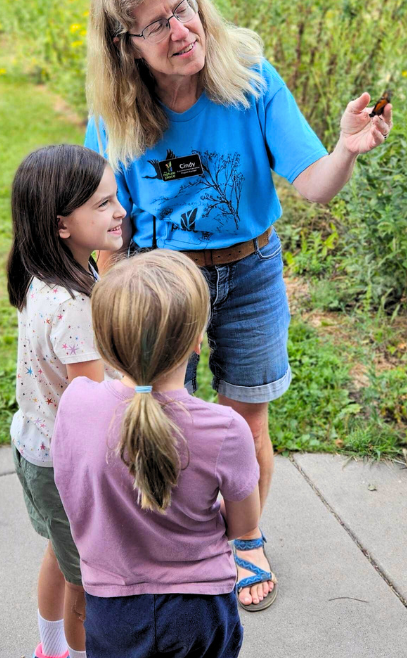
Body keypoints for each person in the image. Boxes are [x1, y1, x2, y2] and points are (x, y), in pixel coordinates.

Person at [84, 0, 393, 610]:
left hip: (250, 270)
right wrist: (114, 316)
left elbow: (312, 185)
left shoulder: (249, 76)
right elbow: (106, 227)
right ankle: (167, 543)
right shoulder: (116, 117)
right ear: (125, 45)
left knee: (247, 418)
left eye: (183, 6)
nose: (182, 29)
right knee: (160, 417)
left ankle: (242, 539)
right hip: (164, 280)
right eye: (157, 24)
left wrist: (345, 149)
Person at [53, 250, 261, 658]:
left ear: (106, 344)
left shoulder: (76, 403)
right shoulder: (225, 428)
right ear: (197, 340)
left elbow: (71, 492)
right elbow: (243, 524)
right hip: (199, 610)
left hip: (112, 607)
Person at [6, 143, 126, 658]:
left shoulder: (45, 275)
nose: (119, 210)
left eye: (115, 198)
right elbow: (92, 401)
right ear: (61, 225)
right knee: (88, 582)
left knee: (61, 553)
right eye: (102, 204)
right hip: (69, 463)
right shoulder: (75, 304)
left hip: (38, 446)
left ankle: (51, 649)